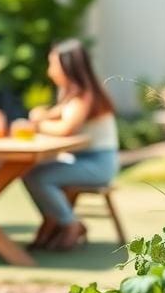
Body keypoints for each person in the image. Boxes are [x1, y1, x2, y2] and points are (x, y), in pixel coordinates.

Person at [22, 38, 119, 251]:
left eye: (53, 65)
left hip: (98, 164)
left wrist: (38, 125)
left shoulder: (84, 96)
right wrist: (41, 116)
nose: (50, 71)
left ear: (67, 67)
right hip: (82, 160)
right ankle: (54, 221)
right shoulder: (71, 94)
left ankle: (69, 223)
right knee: (30, 171)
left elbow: (66, 129)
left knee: (38, 177)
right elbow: (53, 115)